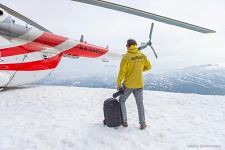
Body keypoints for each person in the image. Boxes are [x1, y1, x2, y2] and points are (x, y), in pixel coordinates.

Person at [117, 39, 151, 130]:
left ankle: (124, 121)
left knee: (122, 101)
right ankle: (142, 123)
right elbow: (149, 67)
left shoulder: (126, 57)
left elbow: (122, 72)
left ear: (128, 46)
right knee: (140, 103)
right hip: (139, 84)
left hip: (128, 85)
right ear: (136, 45)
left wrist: (118, 83)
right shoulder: (142, 55)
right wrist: (139, 70)